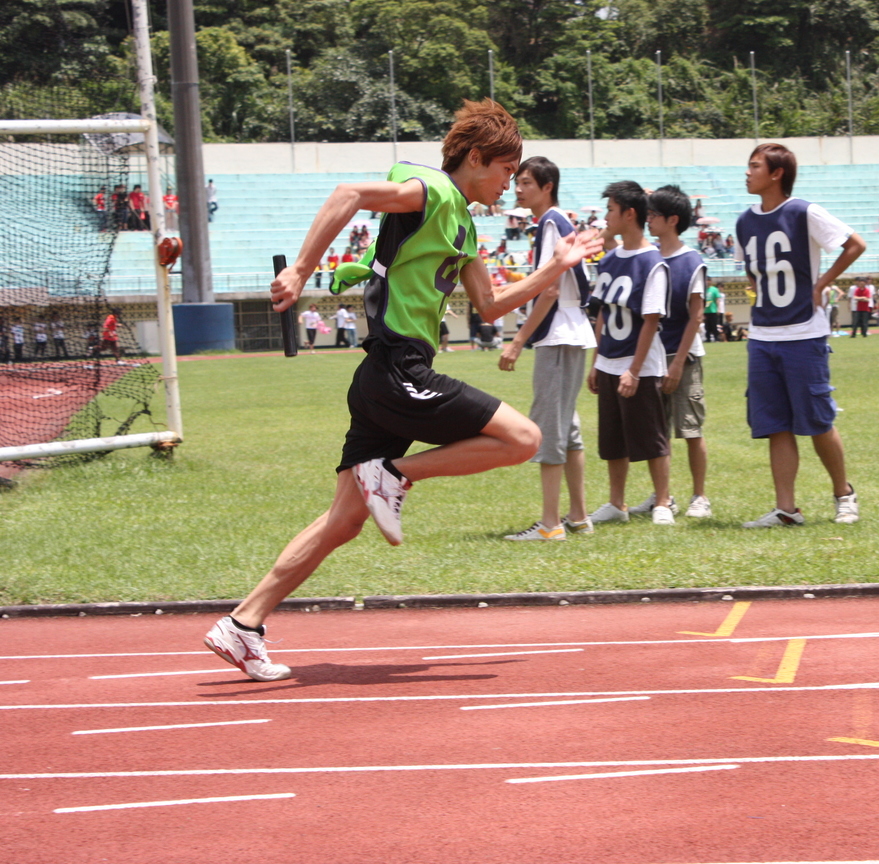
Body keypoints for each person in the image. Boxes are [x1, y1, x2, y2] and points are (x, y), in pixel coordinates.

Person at [201, 99, 601, 681]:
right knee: (523, 438)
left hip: (380, 379)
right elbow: (348, 194)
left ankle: (242, 624)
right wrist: (302, 268)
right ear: (474, 157)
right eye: (505, 172)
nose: (509, 185)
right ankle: (397, 475)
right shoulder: (432, 191)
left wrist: (556, 266)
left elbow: (489, 307)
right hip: (400, 371)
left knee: (343, 521)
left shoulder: (461, 223)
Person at [734, 143, 865, 528]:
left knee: (817, 420)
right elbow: (751, 272)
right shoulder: (744, 220)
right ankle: (786, 508)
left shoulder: (804, 211)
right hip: (763, 335)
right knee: (774, 423)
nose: (747, 172)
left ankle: (844, 493)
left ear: (776, 174)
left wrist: (821, 283)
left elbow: (855, 244)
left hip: (804, 334)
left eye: (755, 166)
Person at [497, 155, 597, 541]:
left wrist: (518, 341)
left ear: (546, 187)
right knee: (567, 428)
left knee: (549, 429)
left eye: (525, 183)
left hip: (558, 333)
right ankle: (578, 516)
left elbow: (549, 288)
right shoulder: (560, 222)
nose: (517, 189)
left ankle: (551, 523)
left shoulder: (551, 223)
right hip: (571, 331)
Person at [585, 180, 674, 527]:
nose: (606, 216)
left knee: (651, 436)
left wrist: (634, 370)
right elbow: (604, 313)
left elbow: (651, 320)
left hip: (640, 364)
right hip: (609, 360)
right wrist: (596, 362)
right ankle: (616, 502)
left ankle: (663, 500)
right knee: (613, 438)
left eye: (610, 209)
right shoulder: (609, 261)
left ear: (629, 213)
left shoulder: (653, 262)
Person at [628, 184, 711, 518]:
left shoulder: (691, 261)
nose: (648, 220)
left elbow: (696, 316)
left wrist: (677, 364)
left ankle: (700, 497)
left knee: (691, 429)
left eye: (654, 215)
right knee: (655, 432)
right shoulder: (648, 258)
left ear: (672, 220)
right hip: (652, 358)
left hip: (683, 356)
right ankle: (661, 495)